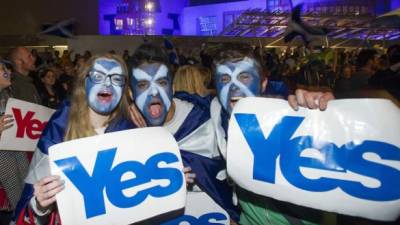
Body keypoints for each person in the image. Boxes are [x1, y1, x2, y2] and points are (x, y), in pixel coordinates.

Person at [208, 42, 334, 225]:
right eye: (225, 79)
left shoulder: (290, 120)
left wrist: (324, 113)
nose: (234, 87)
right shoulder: (216, 118)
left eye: (244, 77)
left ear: (263, 83)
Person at [14, 54, 136, 224]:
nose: (107, 83)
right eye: (98, 76)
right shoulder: (59, 128)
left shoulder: (131, 132)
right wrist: (40, 205)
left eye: (116, 78)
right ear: (84, 83)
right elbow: (32, 204)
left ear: (124, 88)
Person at [129, 43, 240, 223]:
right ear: (130, 93)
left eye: (162, 82)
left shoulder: (208, 118)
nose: (154, 92)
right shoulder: (126, 134)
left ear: (172, 89)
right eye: (142, 85)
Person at [0, 59, 31, 225]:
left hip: (16, 149)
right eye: (3, 69)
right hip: (3, 158)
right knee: (15, 199)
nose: (8, 71)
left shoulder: (7, 94)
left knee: (26, 190)